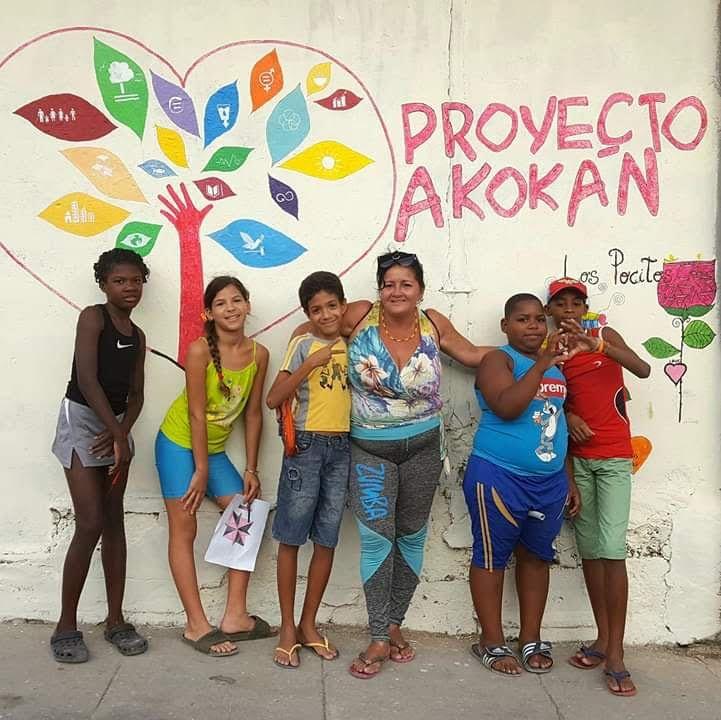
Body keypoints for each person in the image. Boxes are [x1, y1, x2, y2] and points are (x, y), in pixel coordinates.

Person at [338, 251, 492, 679]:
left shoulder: (434, 324)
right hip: (369, 449)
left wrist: (534, 356)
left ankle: (393, 624)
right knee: (376, 541)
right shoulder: (360, 316)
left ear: (420, 290)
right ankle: (377, 637)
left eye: (406, 284)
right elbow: (314, 326)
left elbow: (475, 355)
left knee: (410, 538)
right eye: (389, 284)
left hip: (424, 447)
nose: (396, 291)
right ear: (379, 289)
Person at [463, 293, 582, 677]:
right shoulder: (499, 359)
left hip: (548, 481)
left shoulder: (556, 370)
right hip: (498, 475)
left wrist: (568, 478)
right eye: (522, 319)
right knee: (491, 556)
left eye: (537, 319)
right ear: (505, 325)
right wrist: (543, 362)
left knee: (536, 557)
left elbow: (556, 420)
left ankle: (531, 637)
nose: (532, 326)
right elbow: (508, 406)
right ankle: (491, 641)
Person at [155, 276, 271, 657]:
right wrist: (200, 470)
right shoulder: (199, 350)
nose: (231, 308)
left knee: (248, 512)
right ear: (209, 313)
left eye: (237, 300)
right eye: (221, 303)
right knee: (184, 525)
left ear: (248, 305)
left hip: (214, 449)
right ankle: (195, 624)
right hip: (177, 444)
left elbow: (253, 415)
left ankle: (235, 615)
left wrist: (252, 468)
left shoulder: (259, 354)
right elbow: (196, 414)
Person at [545, 277, 650, 697]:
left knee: (612, 550)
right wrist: (569, 418)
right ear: (550, 310)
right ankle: (603, 640)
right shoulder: (551, 349)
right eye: (561, 303)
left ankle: (618, 654)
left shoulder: (603, 335)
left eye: (577, 302)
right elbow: (550, 401)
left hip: (614, 459)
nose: (569, 308)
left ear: (586, 307)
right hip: (579, 461)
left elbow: (641, 368)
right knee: (590, 551)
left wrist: (597, 346)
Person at [50, 248, 149, 663]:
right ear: (104, 284)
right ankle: (66, 625)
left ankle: (115, 620)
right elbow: (87, 379)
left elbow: (137, 394)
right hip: (84, 422)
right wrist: (114, 435)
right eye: (119, 281)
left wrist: (122, 433)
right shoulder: (93, 317)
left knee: (113, 522)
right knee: (89, 522)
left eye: (135, 280)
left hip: (115, 427)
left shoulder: (139, 335)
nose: (129, 287)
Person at [266, 271, 350, 669]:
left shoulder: (354, 344)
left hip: (342, 449)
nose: (326, 314)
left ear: (343, 306)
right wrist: (311, 364)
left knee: (327, 538)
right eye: (316, 309)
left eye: (332, 306)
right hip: (306, 446)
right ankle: (286, 627)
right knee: (291, 537)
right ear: (306, 313)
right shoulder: (302, 345)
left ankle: (309, 624)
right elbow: (273, 398)